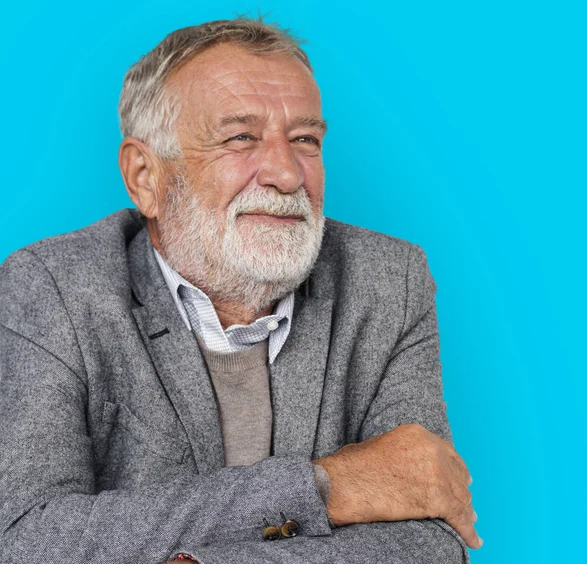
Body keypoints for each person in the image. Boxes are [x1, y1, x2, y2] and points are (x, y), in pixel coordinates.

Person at [0, 18, 481, 564]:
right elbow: (24, 538)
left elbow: (431, 541)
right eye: (240, 138)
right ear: (145, 177)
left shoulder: (390, 280)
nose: (287, 174)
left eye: (305, 139)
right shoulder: (51, 287)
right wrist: (327, 486)